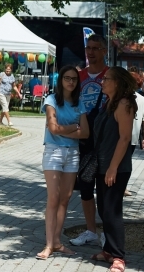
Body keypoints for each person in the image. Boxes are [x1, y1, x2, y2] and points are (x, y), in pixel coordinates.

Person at [36, 65, 88, 260]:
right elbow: (53, 129)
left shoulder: (79, 103)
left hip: (72, 153)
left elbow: (86, 132)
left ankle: (57, 241)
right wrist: (74, 127)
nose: (71, 82)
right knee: (53, 198)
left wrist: (65, 128)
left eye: (74, 79)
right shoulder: (51, 100)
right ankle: (48, 244)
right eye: (67, 78)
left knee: (65, 199)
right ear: (61, 80)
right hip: (53, 152)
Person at [90, 67, 136, 272]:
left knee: (112, 211)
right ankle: (108, 250)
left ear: (117, 82)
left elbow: (125, 138)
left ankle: (118, 257)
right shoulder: (109, 103)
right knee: (104, 209)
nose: (102, 81)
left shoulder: (124, 104)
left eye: (107, 79)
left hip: (116, 167)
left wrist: (113, 168)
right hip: (103, 165)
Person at [70, 34, 110, 247]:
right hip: (85, 140)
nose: (91, 52)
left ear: (104, 51)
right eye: (88, 48)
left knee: (105, 189)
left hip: (105, 140)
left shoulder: (110, 75)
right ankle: (90, 231)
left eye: (96, 48)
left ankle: (106, 232)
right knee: (86, 187)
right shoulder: (80, 76)